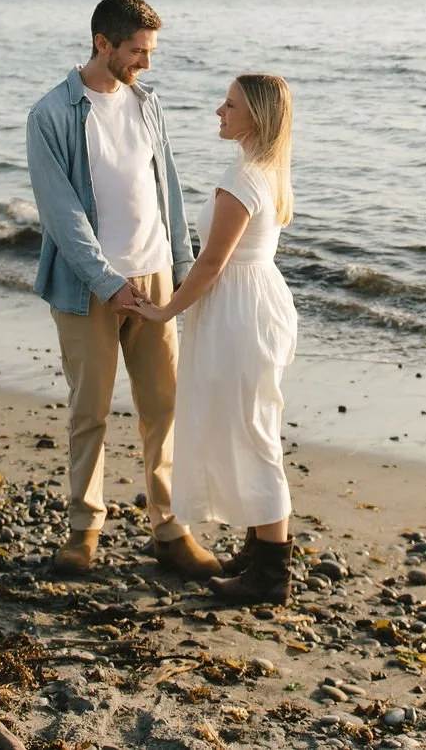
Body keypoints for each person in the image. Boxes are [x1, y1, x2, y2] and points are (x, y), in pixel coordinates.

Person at [23, 0, 221, 579]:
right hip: (89, 286)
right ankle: (83, 529)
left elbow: (170, 192)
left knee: (164, 408)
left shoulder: (147, 104)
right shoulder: (51, 116)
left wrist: (183, 270)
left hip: (155, 275)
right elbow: (61, 215)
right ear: (102, 44)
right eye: (137, 51)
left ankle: (171, 528)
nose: (146, 63)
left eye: (150, 50)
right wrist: (107, 282)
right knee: (91, 411)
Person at [117, 73, 299, 605]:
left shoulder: (244, 178)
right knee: (251, 424)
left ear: (256, 117)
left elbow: (212, 262)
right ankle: (260, 546)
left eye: (230, 104)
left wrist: (164, 310)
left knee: (254, 433)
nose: (219, 111)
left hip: (241, 310)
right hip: (254, 303)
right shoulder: (266, 170)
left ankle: (271, 575)